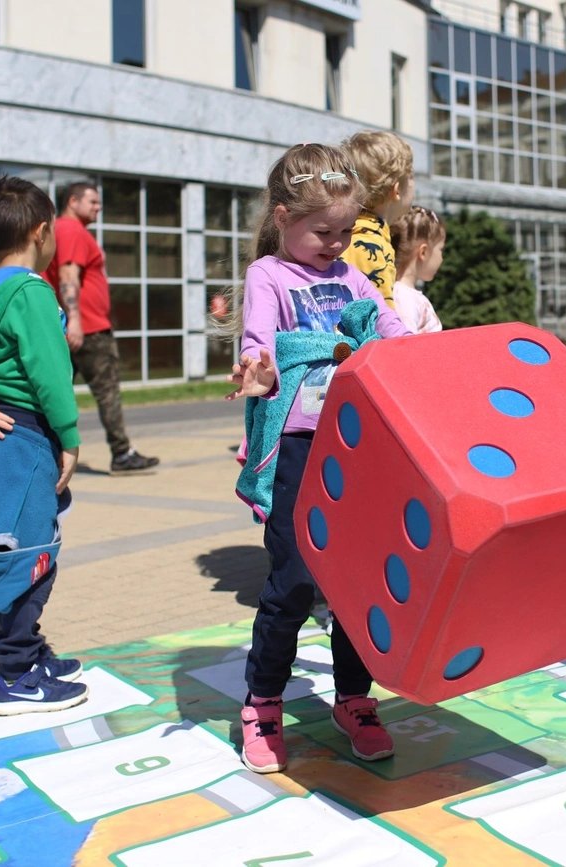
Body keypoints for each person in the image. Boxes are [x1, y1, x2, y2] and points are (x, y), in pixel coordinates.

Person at [219, 144, 412, 774]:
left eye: (345, 232)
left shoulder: (351, 278)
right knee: (295, 580)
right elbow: (260, 341)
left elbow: (388, 331)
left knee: (357, 580)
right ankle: (263, 703)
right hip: (300, 446)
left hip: (357, 445)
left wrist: (427, 359)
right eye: (322, 232)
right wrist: (260, 366)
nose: (335, 245)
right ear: (282, 218)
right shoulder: (269, 277)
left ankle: (354, 698)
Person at [0, 176, 88, 715]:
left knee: (9, 545)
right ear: (43, 231)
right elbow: (50, 373)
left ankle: (27, 650)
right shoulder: (31, 292)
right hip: (26, 435)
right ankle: (19, 673)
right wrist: (70, 438)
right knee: (31, 553)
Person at [42, 182, 159, 475]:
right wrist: (76, 321)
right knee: (107, 393)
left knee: (56, 392)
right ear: (73, 201)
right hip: (88, 330)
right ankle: (121, 454)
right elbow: (69, 275)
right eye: (92, 201)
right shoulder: (71, 230)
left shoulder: (64, 230)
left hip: (77, 327)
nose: (98, 207)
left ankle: (45, 451)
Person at [339, 131, 416, 307]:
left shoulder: (341, 234)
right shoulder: (374, 245)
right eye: (410, 177)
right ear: (396, 190)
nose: (413, 183)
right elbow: (382, 320)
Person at [390, 205, 446, 334]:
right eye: (441, 250)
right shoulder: (404, 299)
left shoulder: (406, 295)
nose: (442, 258)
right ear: (424, 252)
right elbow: (405, 346)